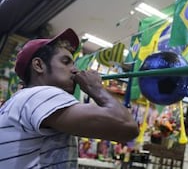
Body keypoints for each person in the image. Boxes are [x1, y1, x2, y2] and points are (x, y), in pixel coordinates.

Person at [0, 28, 138, 168]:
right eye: (66, 62)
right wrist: (96, 88)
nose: (75, 70)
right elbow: (127, 127)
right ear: (39, 65)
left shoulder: (18, 101)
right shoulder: (40, 94)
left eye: (73, 64)